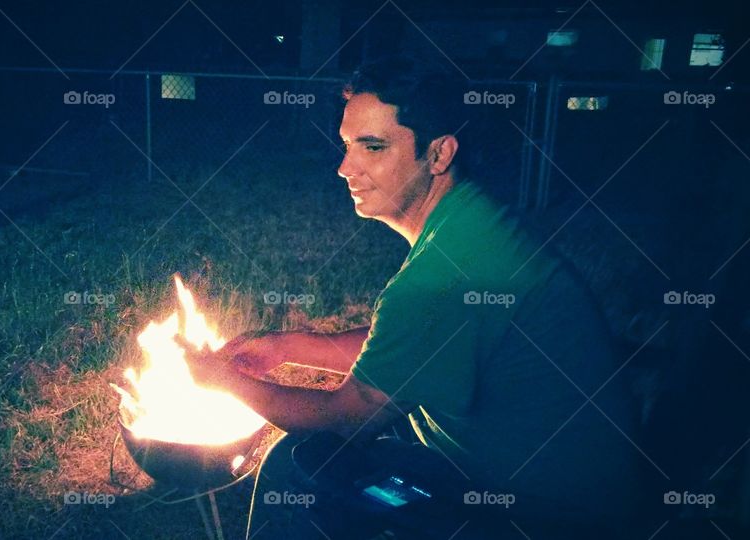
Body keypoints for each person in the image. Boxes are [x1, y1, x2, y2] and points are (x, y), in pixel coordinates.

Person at [184, 55, 646, 539]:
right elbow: (417, 349)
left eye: (373, 147)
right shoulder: (472, 220)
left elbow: (346, 420)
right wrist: (290, 347)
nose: (345, 168)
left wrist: (224, 380)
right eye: (346, 146)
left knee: (300, 467)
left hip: (543, 516)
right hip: (568, 488)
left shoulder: (442, 277)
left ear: (439, 154)